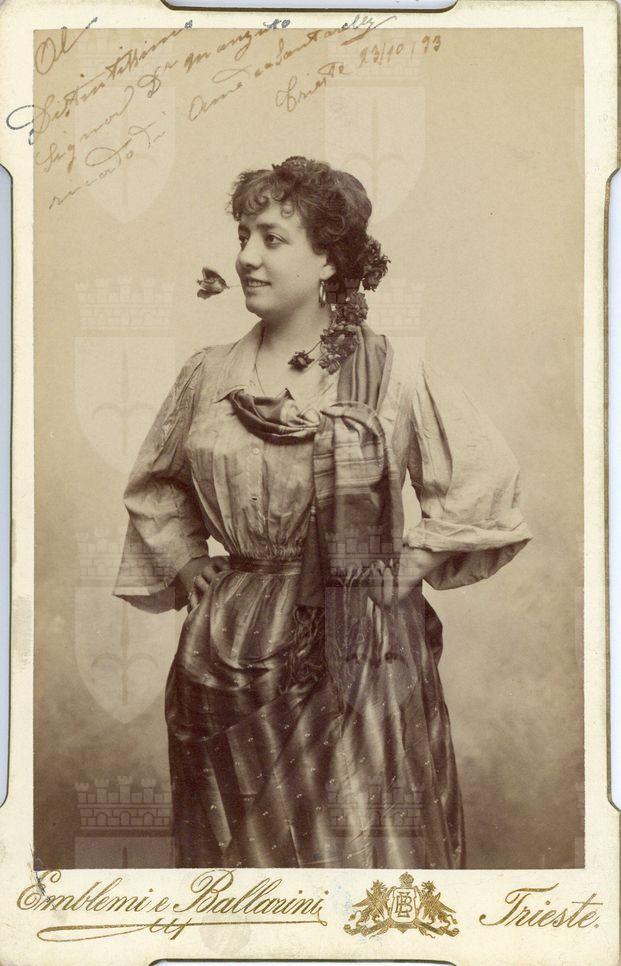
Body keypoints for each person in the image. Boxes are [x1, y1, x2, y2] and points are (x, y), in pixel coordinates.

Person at [113, 156, 532, 869]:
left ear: (330, 259)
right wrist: (184, 563)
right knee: (237, 872)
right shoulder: (207, 373)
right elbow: (157, 485)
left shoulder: (389, 371)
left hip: (359, 648)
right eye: (243, 236)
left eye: (272, 238)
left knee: (352, 855)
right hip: (227, 646)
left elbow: (483, 476)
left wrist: (407, 565)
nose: (246, 257)